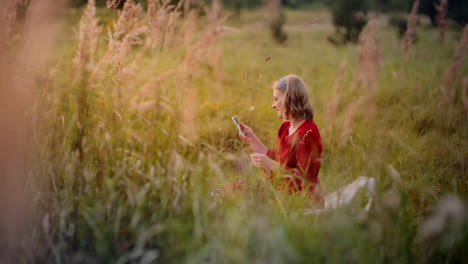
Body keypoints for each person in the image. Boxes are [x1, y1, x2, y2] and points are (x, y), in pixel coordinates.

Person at [239, 74, 323, 206]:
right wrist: (252, 139)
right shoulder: (286, 127)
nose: (273, 105)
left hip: (300, 201)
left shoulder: (307, 134)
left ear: (289, 99)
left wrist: (271, 165)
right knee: (232, 189)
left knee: (237, 194)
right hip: (279, 192)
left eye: (276, 99)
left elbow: (305, 179)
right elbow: (276, 159)